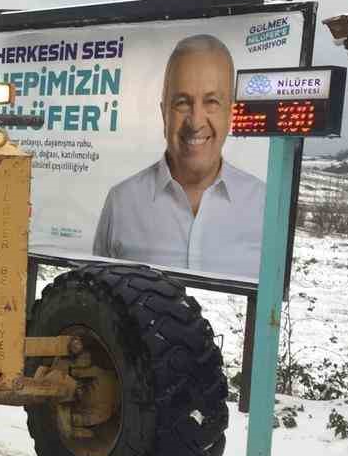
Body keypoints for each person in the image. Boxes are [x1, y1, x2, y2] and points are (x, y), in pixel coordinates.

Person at [92, 33, 266, 278]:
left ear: (231, 113)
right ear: (164, 113)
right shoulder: (121, 202)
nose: (195, 122)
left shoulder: (265, 207)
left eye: (212, 102)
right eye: (182, 102)